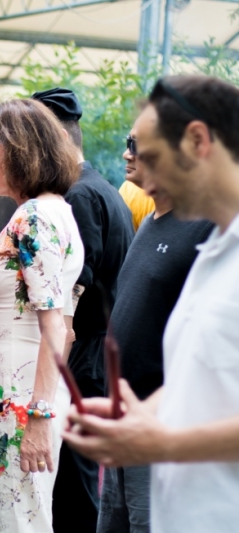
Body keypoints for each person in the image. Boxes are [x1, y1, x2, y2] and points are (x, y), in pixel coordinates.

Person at [64, 75, 239, 532]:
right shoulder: (216, 248)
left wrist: (162, 442)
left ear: (199, 140)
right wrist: (146, 415)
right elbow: (199, 372)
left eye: (153, 158)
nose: (142, 175)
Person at [0, 99, 83, 533]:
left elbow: (57, 325)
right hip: (11, 395)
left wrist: (38, 417)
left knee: (17, 521)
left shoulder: (36, 217)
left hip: (17, 399)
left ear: (19, 148)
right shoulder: (38, 213)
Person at [96, 124, 213, 533]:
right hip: (124, 417)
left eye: (136, 146)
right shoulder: (149, 224)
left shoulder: (204, 231)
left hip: (161, 421)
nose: (127, 154)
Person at [31, 87, 134, 533]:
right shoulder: (102, 189)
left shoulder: (77, 197)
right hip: (95, 355)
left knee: (75, 489)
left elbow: (71, 290)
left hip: (83, 356)